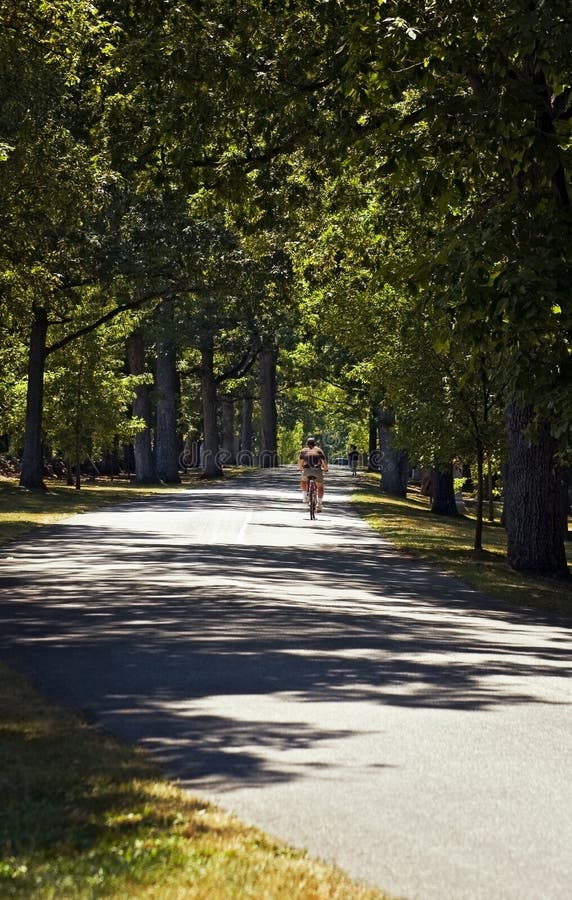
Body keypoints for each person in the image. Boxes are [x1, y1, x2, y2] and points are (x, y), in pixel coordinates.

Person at [298, 435, 328, 511]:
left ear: (307, 444)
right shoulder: (319, 450)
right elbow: (324, 461)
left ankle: (305, 497)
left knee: (303, 480)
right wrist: (325, 469)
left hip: (307, 470)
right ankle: (319, 504)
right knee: (320, 487)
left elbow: (300, 462)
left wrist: (300, 468)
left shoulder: (304, 450)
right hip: (317, 470)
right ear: (315, 443)